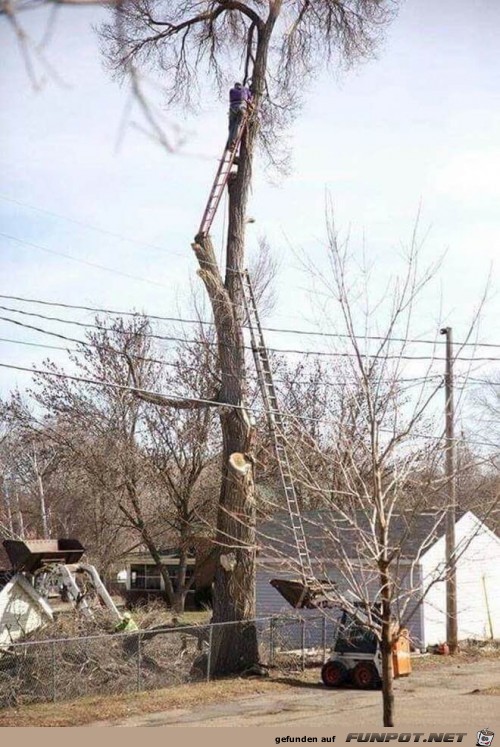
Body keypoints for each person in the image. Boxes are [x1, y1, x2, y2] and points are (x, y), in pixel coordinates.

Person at [227, 81, 252, 149]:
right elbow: (250, 100)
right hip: (241, 108)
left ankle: (230, 142)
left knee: (231, 126)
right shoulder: (245, 89)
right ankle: (233, 141)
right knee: (238, 124)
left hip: (232, 109)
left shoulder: (231, 90)